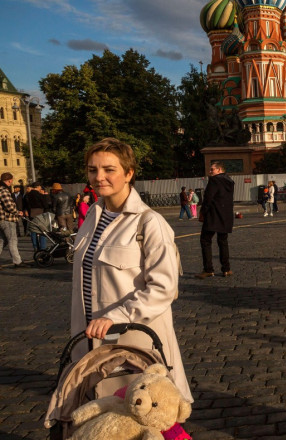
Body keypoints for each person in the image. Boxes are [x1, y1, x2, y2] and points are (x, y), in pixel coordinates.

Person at [70, 137, 192, 405]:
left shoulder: (149, 223)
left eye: (108, 169)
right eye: (93, 169)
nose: (99, 177)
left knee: (142, 417)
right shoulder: (92, 216)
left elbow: (164, 288)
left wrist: (117, 316)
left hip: (135, 344)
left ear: (129, 173)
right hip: (92, 343)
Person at [197, 161, 235, 278]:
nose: (210, 171)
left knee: (205, 240)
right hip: (226, 216)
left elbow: (208, 198)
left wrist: (202, 212)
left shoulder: (214, 180)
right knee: (223, 241)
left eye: (212, 169)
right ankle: (226, 269)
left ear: (219, 170)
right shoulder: (230, 181)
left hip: (213, 216)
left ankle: (208, 269)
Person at [0, 172, 26, 268]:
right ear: (9, 180)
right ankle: (17, 261)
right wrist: (17, 212)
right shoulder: (3, 190)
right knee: (12, 240)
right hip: (7, 219)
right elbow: (9, 205)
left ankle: (17, 261)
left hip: (1, 219)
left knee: (2, 241)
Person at [25, 182, 49, 251]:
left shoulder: (27, 195)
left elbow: (26, 205)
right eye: (40, 187)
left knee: (33, 231)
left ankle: (35, 246)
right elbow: (45, 205)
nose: (41, 188)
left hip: (31, 214)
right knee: (42, 231)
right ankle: (43, 247)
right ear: (38, 187)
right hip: (40, 214)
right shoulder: (40, 195)